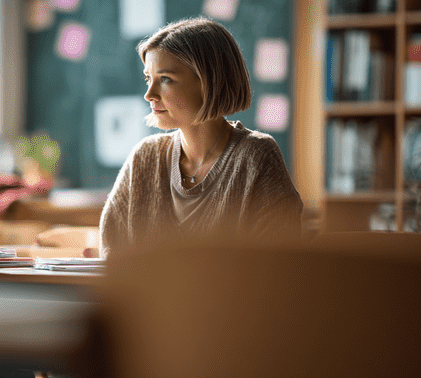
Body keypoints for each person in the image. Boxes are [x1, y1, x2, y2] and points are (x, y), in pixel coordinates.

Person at [100, 17, 303, 257]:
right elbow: (112, 255)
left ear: (208, 83)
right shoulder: (144, 158)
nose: (149, 94)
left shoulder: (256, 157)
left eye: (165, 79)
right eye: (148, 78)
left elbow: (279, 266)